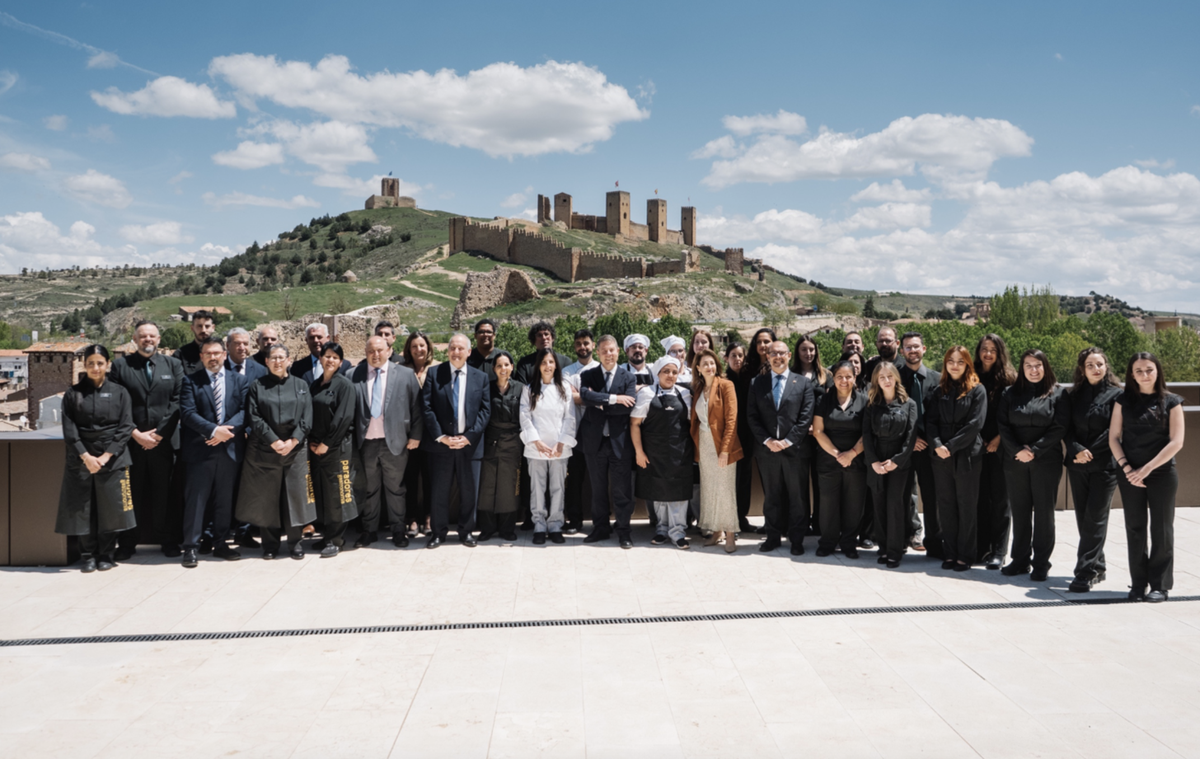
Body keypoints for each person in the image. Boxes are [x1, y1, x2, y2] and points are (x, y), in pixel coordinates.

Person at [1110, 352, 1185, 603]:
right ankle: (1138, 584)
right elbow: (1113, 437)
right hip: (1129, 473)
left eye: (1149, 369)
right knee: (1135, 528)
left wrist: (1148, 468)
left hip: (1161, 473)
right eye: (1139, 371)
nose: (1144, 375)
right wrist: (1127, 468)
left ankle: (1160, 586)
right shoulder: (1122, 401)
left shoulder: (1172, 402)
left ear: (1157, 371)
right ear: (1131, 374)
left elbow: (1176, 442)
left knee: (1162, 528)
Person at [56, 345, 136, 573]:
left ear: (107, 364)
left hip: (113, 458)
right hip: (81, 458)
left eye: (100, 363)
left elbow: (125, 427)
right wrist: (87, 457)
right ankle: (88, 555)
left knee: (112, 509)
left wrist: (106, 455)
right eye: (91, 363)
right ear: (84, 365)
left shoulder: (120, 393)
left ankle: (107, 554)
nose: (95, 367)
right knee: (84, 509)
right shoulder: (73, 394)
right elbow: (70, 431)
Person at [108, 320, 183, 561]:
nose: (147, 340)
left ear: (159, 339)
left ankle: (169, 540)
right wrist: (136, 433)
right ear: (135, 339)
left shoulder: (173, 365)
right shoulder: (121, 367)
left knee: (167, 494)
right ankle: (128, 542)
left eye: (152, 336)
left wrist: (159, 433)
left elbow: (178, 401)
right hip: (132, 444)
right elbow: (116, 404)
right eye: (143, 336)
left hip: (165, 443)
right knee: (131, 494)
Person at [235, 344, 315, 560]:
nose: (278, 362)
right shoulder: (257, 386)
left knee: (295, 497)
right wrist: (273, 441)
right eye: (273, 358)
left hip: (295, 450)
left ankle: (295, 543)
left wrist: (292, 441)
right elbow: (254, 417)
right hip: (265, 448)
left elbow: (307, 418)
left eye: (282, 357)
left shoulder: (301, 385)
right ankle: (269, 545)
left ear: (289, 360)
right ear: (266, 362)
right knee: (266, 498)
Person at [997, 349, 1068, 581]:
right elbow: (1003, 426)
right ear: (1022, 368)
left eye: (1038, 365)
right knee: (1020, 511)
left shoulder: (1058, 394)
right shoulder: (1009, 393)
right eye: (1028, 365)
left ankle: (1040, 564)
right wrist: (1018, 450)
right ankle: (1019, 560)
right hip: (1015, 461)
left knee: (1044, 514)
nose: (1033, 370)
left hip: (1046, 461)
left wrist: (1034, 451)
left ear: (1045, 367)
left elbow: (1059, 428)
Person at [179, 337, 248, 567]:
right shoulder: (190, 381)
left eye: (217, 353)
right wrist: (213, 431)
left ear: (225, 354)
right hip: (201, 451)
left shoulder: (239, 380)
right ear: (201, 357)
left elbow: (244, 411)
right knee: (196, 500)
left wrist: (225, 432)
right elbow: (188, 413)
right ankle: (190, 547)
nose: (213, 357)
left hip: (229, 449)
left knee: (224, 501)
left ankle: (220, 543)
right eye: (208, 353)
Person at [351, 336, 423, 548]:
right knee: (369, 489)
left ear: (389, 351)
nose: (376, 354)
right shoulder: (352, 375)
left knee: (396, 489)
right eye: (371, 351)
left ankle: (398, 530)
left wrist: (416, 435)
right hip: (366, 444)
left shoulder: (406, 375)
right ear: (366, 353)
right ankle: (369, 530)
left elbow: (416, 408)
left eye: (380, 350)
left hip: (396, 442)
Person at [421, 333, 490, 548]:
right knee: (439, 491)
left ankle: (466, 531)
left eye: (461, 348)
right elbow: (427, 407)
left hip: (469, 447)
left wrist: (468, 437)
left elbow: (485, 411)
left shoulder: (481, 377)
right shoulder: (434, 373)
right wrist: (442, 437)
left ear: (469, 352)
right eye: (453, 348)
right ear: (447, 351)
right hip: (441, 446)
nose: (456, 352)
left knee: (469, 491)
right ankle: (438, 533)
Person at [747, 340, 815, 554]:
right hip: (767, 452)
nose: (778, 357)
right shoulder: (757, 383)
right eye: (773, 353)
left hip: (795, 451)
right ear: (768, 357)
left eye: (782, 353)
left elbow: (806, 418)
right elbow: (752, 416)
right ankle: (773, 537)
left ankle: (796, 540)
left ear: (788, 356)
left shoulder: (803, 384)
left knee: (798, 498)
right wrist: (768, 441)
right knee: (772, 497)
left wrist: (786, 442)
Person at [1064, 347, 1122, 592]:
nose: (1096, 369)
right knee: (1083, 518)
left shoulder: (1118, 395)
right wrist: (1076, 448)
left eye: (1100, 364)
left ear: (1106, 366)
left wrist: (1091, 451)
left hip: (1105, 466)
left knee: (1095, 519)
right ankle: (1098, 566)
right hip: (1077, 465)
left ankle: (1084, 572)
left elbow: (1115, 430)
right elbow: (1064, 427)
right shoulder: (1071, 395)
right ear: (1082, 369)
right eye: (1090, 365)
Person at [927, 346, 987, 571]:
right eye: (951, 361)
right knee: (946, 506)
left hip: (967, 456)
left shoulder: (977, 390)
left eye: (960, 361)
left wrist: (950, 446)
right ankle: (950, 553)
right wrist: (937, 445)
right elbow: (930, 422)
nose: (955, 365)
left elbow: (975, 425)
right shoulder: (938, 390)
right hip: (941, 457)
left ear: (968, 364)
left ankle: (965, 555)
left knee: (966, 506)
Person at [577, 335, 638, 548]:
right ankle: (600, 528)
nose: (608, 354)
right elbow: (585, 396)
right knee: (598, 489)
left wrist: (600, 400)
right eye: (604, 351)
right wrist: (614, 398)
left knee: (622, 490)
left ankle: (624, 531)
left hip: (619, 443)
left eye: (611, 350)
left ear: (618, 351)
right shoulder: (589, 374)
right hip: (594, 442)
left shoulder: (628, 377)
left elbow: (629, 406)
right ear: (598, 352)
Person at [632, 356, 694, 549]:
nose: (670, 375)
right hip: (654, 451)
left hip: (680, 451)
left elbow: (692, 422)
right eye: (666, 371)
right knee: (658, 490)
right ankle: (661, 529)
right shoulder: (647, 393)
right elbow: (634, 424)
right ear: (657, 373)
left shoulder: (685, 394)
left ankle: (678, 532)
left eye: (674, 372)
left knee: (679, 491)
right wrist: (639, 452)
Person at [519, 348, 577, 544]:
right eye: (543, 362)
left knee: (558, 487)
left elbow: (570, 418)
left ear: (556, 365)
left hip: (560, 448)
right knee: (537, 487)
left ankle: (555, 525)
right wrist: (537, 442)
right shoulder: (529, 389)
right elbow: (525, 418)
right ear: (538, 366)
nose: (547, 366)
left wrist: (561, 443)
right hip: (536, 448)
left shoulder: (564, 389)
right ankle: (539, 525)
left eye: (551, 362)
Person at [863, 362, 918, 568]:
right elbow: (866, 436)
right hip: (876, 459)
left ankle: (895, 550)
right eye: (881, 377)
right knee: (879, 505)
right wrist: (874, 462)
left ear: (896, 378)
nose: (886, 380)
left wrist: (896, 461)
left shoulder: (909, 404)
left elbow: (911, 437)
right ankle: (884, 548)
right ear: (876, 380)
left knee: (895, 505)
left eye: (889, 376)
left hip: (899, 462)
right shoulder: (871, 404)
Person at [811, 359, 868, 558]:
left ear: (855, 377)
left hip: (857, 460)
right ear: (833, 378)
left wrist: (851, 454)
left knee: (854, 505)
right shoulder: (823, 401)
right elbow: (818, 432)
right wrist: (838, 455)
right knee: (828, 505)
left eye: (848, 376)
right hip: (829, 461)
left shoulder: (865, 400)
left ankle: (849, 543)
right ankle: (827, 542)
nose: (844, 380)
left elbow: (868, 433)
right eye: (839, 377)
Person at [308, 342, 359, 558]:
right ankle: (327, 535)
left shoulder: (345, 385)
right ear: (320, 359)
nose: (330, 360)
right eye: (327, 356)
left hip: (337, 449)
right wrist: (312, 442)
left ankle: (336, 540)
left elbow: (344, 418)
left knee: (338, 494)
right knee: (323, 494)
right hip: (317, 449)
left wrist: (327, 444)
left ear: (340, 362)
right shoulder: (315, 385)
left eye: (335, 357)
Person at [692, 348, 742, 552]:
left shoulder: (726, 385)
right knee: (710, 489)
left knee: (725, 490)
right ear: (698, 368)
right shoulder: (698, 389)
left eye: (712, 363)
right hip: (703, 444)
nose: (709, 367)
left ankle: (730, 534)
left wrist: (725, 450)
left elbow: (732, 420)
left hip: (722, 444)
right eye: (704, 364)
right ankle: (716, 531)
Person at [974, 334, 1016, 570]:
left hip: (1001, 447)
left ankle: (999, 551)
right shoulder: (972, 376)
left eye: (993, 350)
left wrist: (999, 439)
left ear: (1000, 353)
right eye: (984, 349)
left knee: (1001, 500)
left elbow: (1012, 415)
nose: (988, 353)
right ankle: (981, 548)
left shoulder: (1010, 379)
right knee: (980, 499)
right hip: (976, 446)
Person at [899, 332, 940, 556]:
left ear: (924, 349)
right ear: (901, 351)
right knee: (903, 494)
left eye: (916, 347)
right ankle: (906, 536)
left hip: (931, 448)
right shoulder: (893, 378)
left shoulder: (938, 378)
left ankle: (934, 541)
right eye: (908, 347)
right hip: (903, 446)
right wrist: (910, 440)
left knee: (932, 496)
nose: (912, 350)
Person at [477, 351, 523, 541]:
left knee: (509, 487)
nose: (503, 369)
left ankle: (507, 529)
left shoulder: (521, 389)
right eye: (499, 365)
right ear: (494, 369)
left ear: (512, 367)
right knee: (487, 486)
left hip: (513, 444)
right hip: (490, 442)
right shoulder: (486, 388)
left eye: (506, 365)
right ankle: (487, 528)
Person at [734, 328, 776, 534]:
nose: (763, 346)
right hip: (746, 431)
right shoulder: (747, 369)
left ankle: (774, 522)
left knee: (773, 479)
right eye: (759, 342)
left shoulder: (781, 368)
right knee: (743, 477)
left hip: (774, 432)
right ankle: (739, 518)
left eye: (767, 341)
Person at [792, 336, 833, 538]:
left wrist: (816, 426)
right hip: (799, 437)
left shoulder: (826, 375)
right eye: (804, 350)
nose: (808, 353)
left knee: (820, 483)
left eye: (811, 349)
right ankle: (801, 524)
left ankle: (819, 524)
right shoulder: (790, 374)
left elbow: (831, 403)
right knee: (799, 484)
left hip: (820, 436)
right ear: (797, 352)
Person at [401, 332, 438, 537]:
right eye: (414, 346)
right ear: (408, 349)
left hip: (432, 433)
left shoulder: (438, 367)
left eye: (422, 345)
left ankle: (429, 517)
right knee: (411, 477)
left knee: (430, 477)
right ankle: (412, 518)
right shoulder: (401, 369)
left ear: (428, 346)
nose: (418, 350)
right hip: (408, 434)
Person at [562, 328, 597, 533]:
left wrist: (581, 396)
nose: (582, 347)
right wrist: (593, 397)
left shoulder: (601, 369)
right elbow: (567, 397)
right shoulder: (567, 372)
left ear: (593, 345)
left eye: (586, 343)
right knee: (574, 480)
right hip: (574, 434)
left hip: (597, 434)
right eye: (579, 343)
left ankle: (600, 520)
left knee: (597, 480)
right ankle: (574, 520)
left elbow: (601, 396)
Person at [515, 321, 570, 386]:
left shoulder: (565, 362)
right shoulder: (524, 364)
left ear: (552, 338)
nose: (544, 338)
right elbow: (521, 388)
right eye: (539, 335)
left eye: (546, 334)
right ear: (534, 340)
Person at [176, 310, 215, 376]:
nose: (203, 330)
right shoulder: (180, 355)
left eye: (207, 326)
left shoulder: (221, 355)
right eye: (199, 326)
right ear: (192, 328)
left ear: (213, 328)